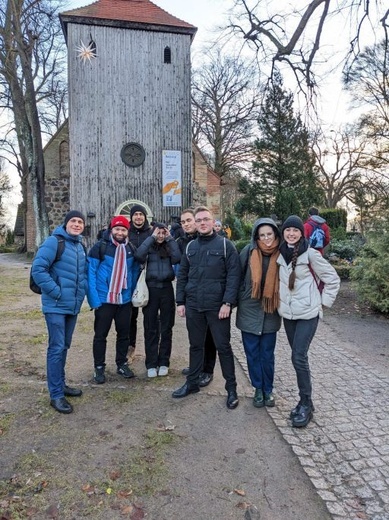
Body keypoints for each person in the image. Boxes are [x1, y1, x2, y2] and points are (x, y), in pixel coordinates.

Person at [172, 206, 241, 409]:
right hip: (194, 305)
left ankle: (232, 389)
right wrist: (181, 302)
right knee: (195, 346)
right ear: (195, 223)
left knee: (223, 348)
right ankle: (192, 383)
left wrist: (227, 302)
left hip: (217, 307)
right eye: (199, 220)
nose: (202, 223)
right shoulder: (190, 247)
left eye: (206, 219)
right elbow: (182, 275)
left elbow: (233, 277)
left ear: (213, 222)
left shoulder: (226, 246)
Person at [277, 215, 340, 428]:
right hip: (289, 315)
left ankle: (305, 403)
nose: (291, 233)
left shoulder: (310, 254)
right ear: (283, 232)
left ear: (301, 232)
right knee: (297, 358)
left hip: (308, 314)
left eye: (295, 230)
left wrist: (322, 304)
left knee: (298, 356)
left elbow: (332, 279)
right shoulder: (279, 253)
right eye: (288, 230)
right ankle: (307, 403)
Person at [31, 210, 88, 414]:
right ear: (65, 224)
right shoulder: (54, 242)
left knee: (64, 346)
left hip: (71, 307)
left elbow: (82, 276)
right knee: (56, 348)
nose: (76, 224)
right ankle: (56, 395)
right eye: (73, 221)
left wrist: (81, 297)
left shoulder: (80, 246)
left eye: (80, 221)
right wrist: (56, 292)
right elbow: (38, 269)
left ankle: (61, 384)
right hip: (55, 306)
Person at [87, 216, 140, 384]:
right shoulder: (100, 247)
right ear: (111, 230)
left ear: (127, 232)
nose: (120, 232)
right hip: (104, 300)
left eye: (123, 229)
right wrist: (94, 300)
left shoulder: (131, 248)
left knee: (124, 335)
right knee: (100, 335)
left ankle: (121, 363)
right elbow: (91, 274)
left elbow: (134, 273)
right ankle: (99, 367)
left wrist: (131, 295)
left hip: (124, 300)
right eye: (117, 229)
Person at [236, 218, 281, 408]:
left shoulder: (281, 254)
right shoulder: (248, 252)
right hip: (249, 310)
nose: (266, 238)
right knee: (252, 353)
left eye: (269, 234)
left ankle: (268, 389)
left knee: (267, 355)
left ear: (275, 234)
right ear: (256, 236)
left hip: (271, 311)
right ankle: (258, 389)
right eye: (262, 235)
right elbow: (236, 277)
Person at [176, 208, 217, 388]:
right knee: (196, 337)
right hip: (193, 296)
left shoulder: (212, 240)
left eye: (189, 220)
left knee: (209, 337)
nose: (187, 224)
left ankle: (207, 370)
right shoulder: (184, 242)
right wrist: (181, 300)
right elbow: (182, 273)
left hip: (210, 297)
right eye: (183, 222)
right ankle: (196, 367)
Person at [134, 223, 181, 377]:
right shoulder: (148, 247)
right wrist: (151, 238)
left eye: (163, 233)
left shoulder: (169, 246)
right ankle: (151, 363)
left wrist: (170, 239)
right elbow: (138, 256)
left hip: (167, 289)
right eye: (158, 233)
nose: (160, 236)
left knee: (167, 327)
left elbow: (177, 258)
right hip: (151, 289)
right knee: (150, 327)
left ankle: (164, 361)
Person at [128, 205, 153, 359]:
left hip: (148, 277)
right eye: (135, 214)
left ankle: (151, 351)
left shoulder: (151, 232)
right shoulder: (126, 232)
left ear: (145, 217)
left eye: (141, 214)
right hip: (130, 277)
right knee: (130, 316)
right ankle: (130, 347)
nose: (138, 217)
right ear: (131, 217)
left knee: (150, 317)